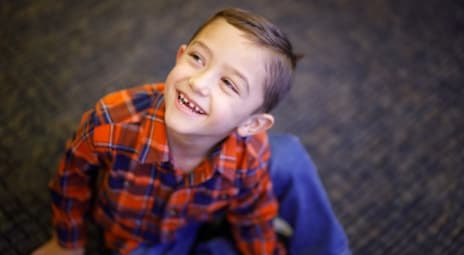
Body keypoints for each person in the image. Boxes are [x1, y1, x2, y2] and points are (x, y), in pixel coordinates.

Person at [32, 7, 349, 255]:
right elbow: (69, 180)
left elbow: (252, 214)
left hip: (213, 204)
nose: (198, 83)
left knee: (288, 155)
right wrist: (68, 242)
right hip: (143, 236)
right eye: (198, 58)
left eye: (228, 83)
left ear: (251, 125)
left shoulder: (251, 152)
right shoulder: (110, 122)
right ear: (180, 55)